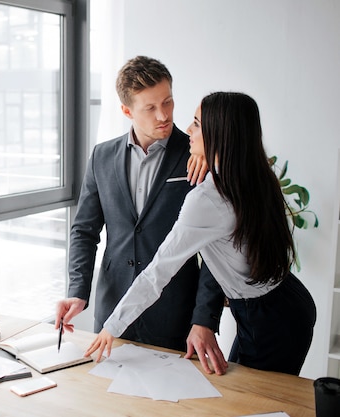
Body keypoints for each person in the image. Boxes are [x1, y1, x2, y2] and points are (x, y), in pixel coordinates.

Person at [85, 91, 317, 375]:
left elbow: (158, 271)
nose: (188, 130)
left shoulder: (208, 198)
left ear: (220, 134)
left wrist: (112, 326)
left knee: (258, 405)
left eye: (196, 124)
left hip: (269, 319)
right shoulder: (250, 175)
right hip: (286, 302)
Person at [55, 56, 227, 375]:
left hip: (173, 312)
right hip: (112, 307)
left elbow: (214, 248)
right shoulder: (101, 156)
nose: (163, 115)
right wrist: (78, 290)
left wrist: (204, 318)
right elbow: (84, 231)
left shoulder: (197, 154)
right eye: (150, 108)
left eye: (168, 102)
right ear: (126, 111)